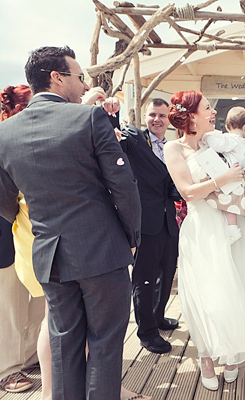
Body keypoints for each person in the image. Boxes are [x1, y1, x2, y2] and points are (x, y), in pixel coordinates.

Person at [0, 46, 141, 400]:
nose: (83, 86)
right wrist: (131, 236)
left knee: (63, 347)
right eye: (79, 77)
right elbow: (123, 186)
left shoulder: (5, 133)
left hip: (48, 254)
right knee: (106, 344)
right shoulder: (88, 119)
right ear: (56, 77)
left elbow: (4, 201)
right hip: (102, 251)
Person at [163, 90, 245, 392]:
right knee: (207, 297)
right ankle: (206, 357)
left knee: (238, 289)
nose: (213, 112)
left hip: (231, 225)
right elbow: (187, 191)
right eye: (207, 108)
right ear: (191, 115)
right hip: (202, 228)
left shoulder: (216, 142)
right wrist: (224, 179)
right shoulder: (173, 149)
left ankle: (232, 353)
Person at [119, 98, 181, 354]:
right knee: (143, 280)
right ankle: (146, 332)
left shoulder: (172, 147)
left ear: (169, 119)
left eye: (162, 116)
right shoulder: (134, 140)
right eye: (152, 114)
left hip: (169, 221)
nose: (157, 119)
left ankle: (158, 317)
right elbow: (118, 137)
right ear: (145, 116)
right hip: (145, 222)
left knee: (166, 275)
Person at [0, 85, 44, 394]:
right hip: (6, 233)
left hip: (30, 233)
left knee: (36, 300)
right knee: (11, 305)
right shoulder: (5, 138)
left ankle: (29, 357)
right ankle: (8, 370)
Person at [203, 106, 245, 243]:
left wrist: (207, 136)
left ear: (227, 126)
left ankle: (232, 229)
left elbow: (217, 145)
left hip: (235, 179)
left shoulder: (229, 140)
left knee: (229, 204)